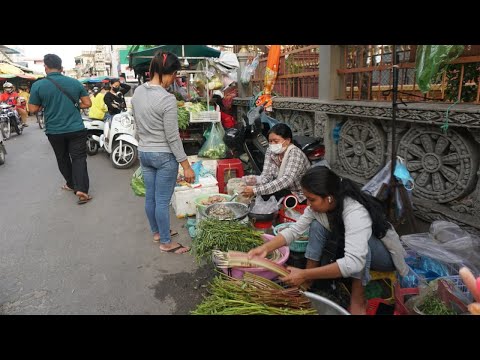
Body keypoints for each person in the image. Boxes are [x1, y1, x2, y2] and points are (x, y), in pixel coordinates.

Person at [247, 166, 409, 315]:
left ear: (329, 198)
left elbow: (354, 262)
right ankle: (309, 280)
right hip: (350, 247)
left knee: (361, 245)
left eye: (311, 199)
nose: (308, 205)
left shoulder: (355, 211)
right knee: (317, 225)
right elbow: (295, 231)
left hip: (383, 256)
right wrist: (266, 248)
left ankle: (358, 298)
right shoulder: (319, 207)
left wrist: (302, 273)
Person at [131, 51, 195, 254]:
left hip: (145, 152)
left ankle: (157, 232)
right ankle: (166, 242)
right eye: (174, 75)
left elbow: (137, 125)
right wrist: (186, 165)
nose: (173, 80)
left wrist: (144, 145)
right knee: (162, 201)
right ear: (168, 72)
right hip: (164, 156)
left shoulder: (138, 92)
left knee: (150, 197)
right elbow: (172, 137)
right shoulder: (167, 99)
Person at [28, 54, 93, 205]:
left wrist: (46, 104)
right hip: (76, 129)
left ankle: (71, 184)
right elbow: (87, 103)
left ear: (45, 67)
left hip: (54, 131)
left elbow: (32, 109)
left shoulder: (38, 85)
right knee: (79, 158)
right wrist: (75, 105)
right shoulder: (74, 82)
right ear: (61, 68)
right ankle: (82, 189)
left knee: (62, 158)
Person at [242, 123, 311, 203]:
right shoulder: (270, 151)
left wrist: (255, 190)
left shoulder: (295, 153)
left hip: (299, 194)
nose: (272, 144)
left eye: (276, 141)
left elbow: (286, 180)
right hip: (283, 189)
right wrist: (250, 181)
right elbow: (266, 176)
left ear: (288, 140)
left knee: (264, 194)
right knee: (262, 194)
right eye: (270, 141)